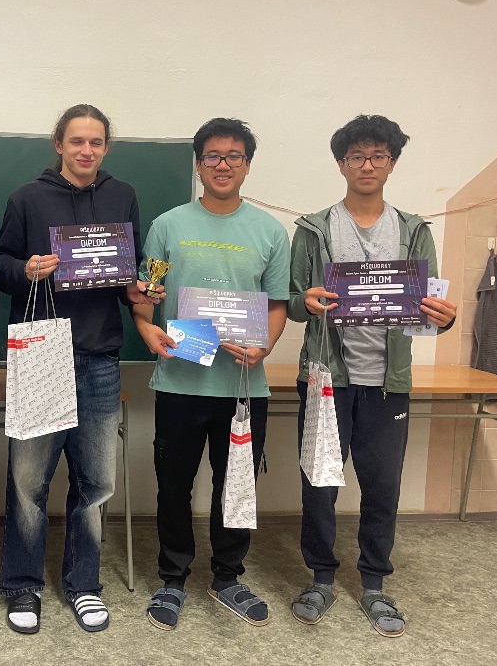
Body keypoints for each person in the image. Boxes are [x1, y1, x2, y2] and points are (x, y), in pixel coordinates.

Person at [287, 114, 456, 637]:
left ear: (391, 164)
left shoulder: (413, 230)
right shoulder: (314, 229)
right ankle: (320, 578)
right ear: (341, 164)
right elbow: (291, 302)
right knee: (320, 483)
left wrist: (444, 318)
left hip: (388, 383)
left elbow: (429, 311)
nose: (366, 165)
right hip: (326, 379)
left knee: (383, 485)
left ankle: (375, 584)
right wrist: (305, 302)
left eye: (377, 156)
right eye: (356, 156)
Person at [0, 104, 160, 634]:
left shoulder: (122, 196)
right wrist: (26, 269)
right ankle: (23, 584)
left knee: (96, 483)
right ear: (59, 145)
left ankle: (84, 584)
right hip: (40, 354)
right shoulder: (27, 198)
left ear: (106, 147)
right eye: (76, 141)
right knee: (28, 482)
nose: (86, 151)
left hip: (99, 357)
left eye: (96, 142)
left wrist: (138, 288)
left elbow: (126, 272)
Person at [132, 117, 289, 631]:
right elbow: (146, 294)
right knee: (173, 485)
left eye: (233, 156)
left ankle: (228, 577)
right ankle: (172, 578)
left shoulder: (269, 232)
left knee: (235, 485)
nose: (223, 165)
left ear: (247, 165)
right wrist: (145, 327)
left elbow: (278, 303)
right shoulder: (168, 226)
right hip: (181, 382)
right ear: (199, 165)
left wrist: (265, 345)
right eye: (213, 156)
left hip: (242, 387)